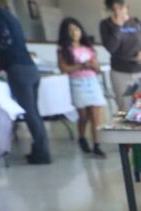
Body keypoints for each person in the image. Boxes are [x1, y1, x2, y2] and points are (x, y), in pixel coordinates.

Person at [0, 0, 50, 163]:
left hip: (17, 68)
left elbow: (4, 38)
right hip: (29, 67)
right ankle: (40, 149)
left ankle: (42, 154)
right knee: (34, 113)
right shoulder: (9, 15)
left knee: (30, 113)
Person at [56, 18, 106, 158]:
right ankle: (82, 137)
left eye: (76, 29)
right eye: (70, 31)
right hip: (77, 83)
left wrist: (93, 65)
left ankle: (97, 145)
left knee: (95, 115)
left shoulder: (88, 48)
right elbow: (64, 68)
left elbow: (97, 69)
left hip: (92, 81)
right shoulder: (63, 50)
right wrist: (81, 66)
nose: (74, 33)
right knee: (83, 116)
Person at [99, 0, 141, 111]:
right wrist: (117, 27)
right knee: (126, 107)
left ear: (126, 7)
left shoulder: (137, 22)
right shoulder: (106, 25)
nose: (119, 12)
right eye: (115, 10)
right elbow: (111, 48)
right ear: (110, 10)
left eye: (121, 8)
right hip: (120, 72)